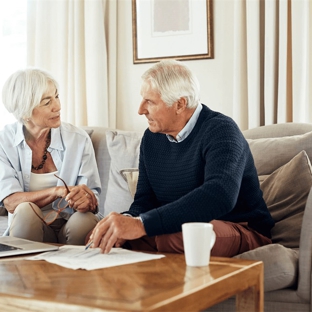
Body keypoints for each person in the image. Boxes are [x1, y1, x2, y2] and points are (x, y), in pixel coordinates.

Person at [88, 59, 275, 256]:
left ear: (180, 104)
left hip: (239, 227)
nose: (140, 109)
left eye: (150, 101)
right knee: (101, 237)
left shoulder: (222, 130)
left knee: (178, 237)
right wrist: (124, 221)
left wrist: (142, 224)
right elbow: (144, 201)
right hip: (174, 228)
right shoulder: (151, 138)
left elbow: (219, 195)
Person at [0, 68, 101, 245]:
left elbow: (92, 195)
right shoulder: (4, 142)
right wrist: (57, 192)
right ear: (25, 112)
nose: (58, 106)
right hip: (30, 226)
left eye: (57, 96)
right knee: (24, 209)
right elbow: (10, 202)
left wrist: (87, 200)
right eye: (47, 102)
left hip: (70, 223)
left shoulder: (78, 139)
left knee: (85, 219)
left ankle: (76, 269)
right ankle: (28, 269)